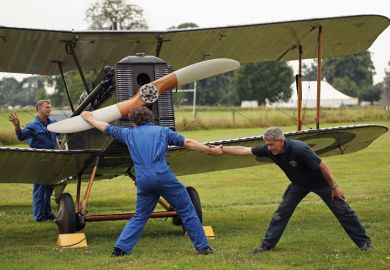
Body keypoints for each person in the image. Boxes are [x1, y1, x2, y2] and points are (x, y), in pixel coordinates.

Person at [81, 106, 221, 256]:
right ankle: (203, 248)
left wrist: (90, 118)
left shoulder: (128, 133)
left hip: (143, 180)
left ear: (133, 121)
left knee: (140, 216)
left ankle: (119, 249)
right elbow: (187, 142)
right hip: (163, 177)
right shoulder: (163, 131)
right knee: (187, 210)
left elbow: (106, 128)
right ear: (151, 118)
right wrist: (209, 150)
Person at [214, 127, 372, 252]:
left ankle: (364, 243)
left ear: (281, 141)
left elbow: (322, 165)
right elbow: (244, 150)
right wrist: (221, 148)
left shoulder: (299, 149)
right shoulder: (269, 149)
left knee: (344, 212)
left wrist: (334, 187)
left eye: (271, 144)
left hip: (321, 183)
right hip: (299, 184)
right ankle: (266, 245)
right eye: (267, 144)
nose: (268, 148)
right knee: (281, 212)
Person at [9, 100, 57, 222]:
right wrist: (17, 126)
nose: (50, 109)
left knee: (49, 188)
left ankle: (47, 213)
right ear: (39, 109)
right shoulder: (32, 125)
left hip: (52, 159)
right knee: (40, 189)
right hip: (38, 160)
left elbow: (67, 128)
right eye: (47, 107)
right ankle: (39, 217)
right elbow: (21, 136)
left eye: (50, 107)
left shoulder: (53, 123)